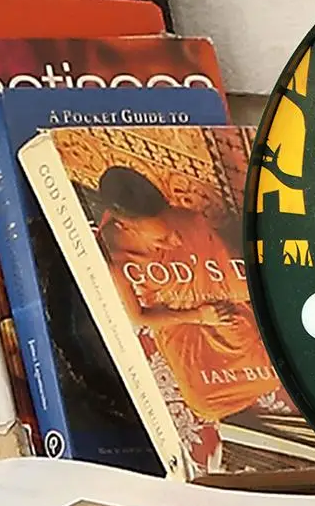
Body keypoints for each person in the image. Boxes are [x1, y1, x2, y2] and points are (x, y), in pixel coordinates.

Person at [95, 165, 282, 422]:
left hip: (215, 298)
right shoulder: (113, 257)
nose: (176, 242)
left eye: (173, 230)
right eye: (162, 240)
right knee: (204, 400)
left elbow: (222, 270)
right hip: (177, 318)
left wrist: (223, 298)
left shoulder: (186, 221)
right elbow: (140, 317)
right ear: (125, 226)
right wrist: (200, 316)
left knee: (271, 366)